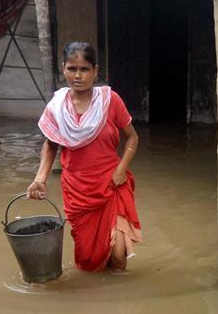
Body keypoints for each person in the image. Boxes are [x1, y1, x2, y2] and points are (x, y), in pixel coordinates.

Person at [27, 42, 142, 271]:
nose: (78, 76)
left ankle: (119, 302)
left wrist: (121, 169)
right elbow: (51, 145)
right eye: (72, 69)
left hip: (111, 184)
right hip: (77, 191)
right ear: (63, 69)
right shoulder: (57, 107)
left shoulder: (110, 101)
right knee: (89, 262)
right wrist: (40, 179)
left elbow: (132, 138)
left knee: (118, 255)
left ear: (95, 71)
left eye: (84, 69)